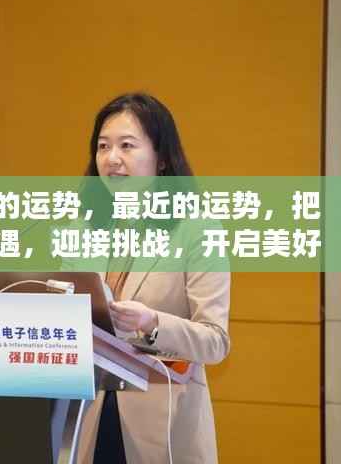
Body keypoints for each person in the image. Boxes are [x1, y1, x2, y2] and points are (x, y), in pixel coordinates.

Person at [77, 93, 231, 464]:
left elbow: (216, 341)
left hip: (162, 423)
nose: (112, 158)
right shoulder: (84, 227)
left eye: (126, 146)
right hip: (87, 414)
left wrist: (152, 323)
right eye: (103, 146)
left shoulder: (197, 230)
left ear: (161, 159)